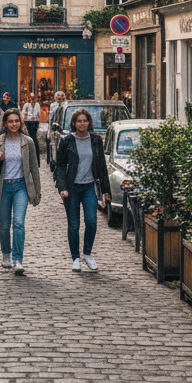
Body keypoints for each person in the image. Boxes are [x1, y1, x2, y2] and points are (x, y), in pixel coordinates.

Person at [0, 107, 41, 274]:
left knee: (18, 223)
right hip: (3, 187)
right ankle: (6, 254)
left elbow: (33, 167)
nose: (14, 124)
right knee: (4, 225)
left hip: (21, 187)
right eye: (10, 121)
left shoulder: (27, 142)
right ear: (5, 123)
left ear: (20, 122)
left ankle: (18, 260)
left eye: (17, 121)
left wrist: (37, 191)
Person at [54, 108, 110, 271]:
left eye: (85, 121)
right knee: (74, 224)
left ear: (89, 122)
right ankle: (75, 258)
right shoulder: (67, 141)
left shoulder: (95, 140)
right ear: (73, 123)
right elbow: (60, 166)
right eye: (79, 121)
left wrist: (106, 190)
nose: (82, 123)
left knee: (91, 221)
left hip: (88, 187)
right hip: (71, 188)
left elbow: (101, 165)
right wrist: (62, 187)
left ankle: (87, 253)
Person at [21, 92, 42, 164]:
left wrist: (38, 123)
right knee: (31, 138)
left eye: (33, 98)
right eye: (31, 97)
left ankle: (36, 159)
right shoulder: (26, 105)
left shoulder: (37, 105)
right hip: (28, 122)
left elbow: (38, 115)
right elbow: (23, 114)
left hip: (35, 122)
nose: (32, 99)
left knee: (34, 139)